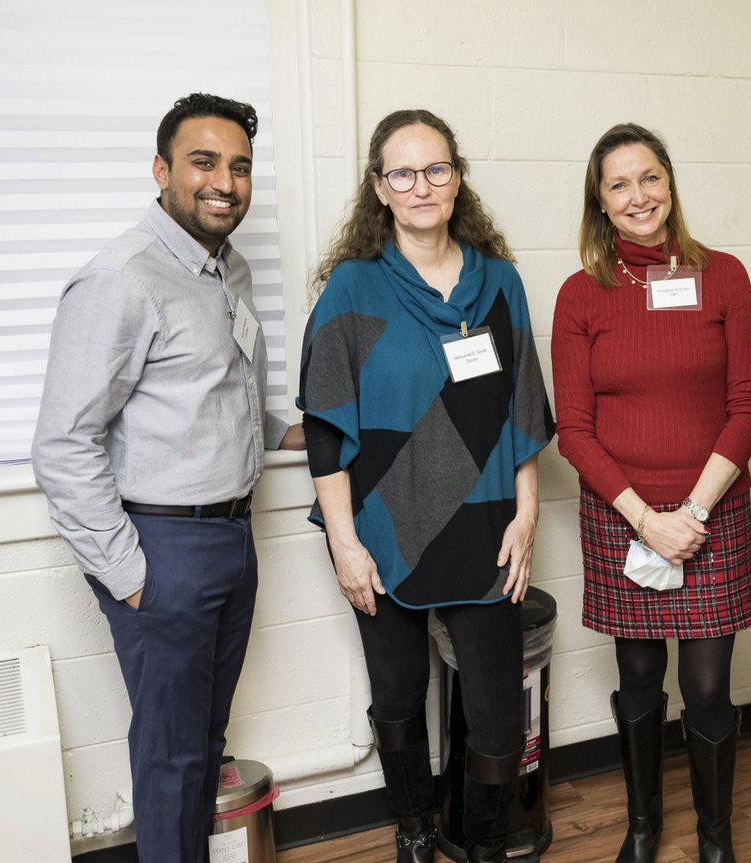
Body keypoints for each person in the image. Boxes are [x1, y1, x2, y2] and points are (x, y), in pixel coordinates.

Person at [32, 93, 305, 863]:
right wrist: (131, 575)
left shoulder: (227, 270)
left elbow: (229, 401)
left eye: (240, 166)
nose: (225, 181)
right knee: (171, 755)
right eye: (204, 162)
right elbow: (62, 443)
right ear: (162, 170)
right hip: (163, 550)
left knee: (204, 745)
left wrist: (317, 431)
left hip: (230, 536)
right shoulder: (122, 277)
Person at [298, 108, 555, 863]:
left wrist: (528, 512)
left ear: (457, 177)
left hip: (485, 524)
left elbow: (523, 406)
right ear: (379, 187)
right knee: (400, 697)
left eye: (436, 169)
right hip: (382, 526)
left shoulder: (498, 282)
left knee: (498, 716)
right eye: (402, 173)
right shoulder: (353, 289)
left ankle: (480, 846)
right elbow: (323, 425)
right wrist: (344, 541)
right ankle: (413, 828)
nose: (421, 186)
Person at [551, 123, 751, 863]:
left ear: (670, 185)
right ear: (600, 203)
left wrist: (693, 513)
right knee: (640, 675)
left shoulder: (726, 275)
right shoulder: (580, 295)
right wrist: (647, 520)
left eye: (649, 178)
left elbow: (749, 404)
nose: (637, 196)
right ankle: (643, 829)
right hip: (622, 516)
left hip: (713, 514)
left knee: (707, 686)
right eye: (619, 184)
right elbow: (573, 431)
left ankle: (715, 840)